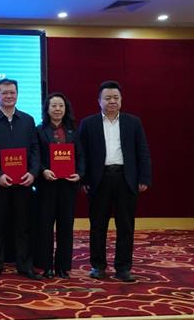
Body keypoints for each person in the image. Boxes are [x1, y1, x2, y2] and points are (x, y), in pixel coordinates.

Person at [78, 80, 151, 282]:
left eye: (116, 98)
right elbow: (81, 153)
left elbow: (143, 151)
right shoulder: (88, 123)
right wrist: (83, 179)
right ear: (99, 101)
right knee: (98, 225)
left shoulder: (133, 122)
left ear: (121, 100)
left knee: (125, 226)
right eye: (107, 98)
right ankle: (98, 266)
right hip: (99, 179)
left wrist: (144, 177)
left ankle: (123, 268)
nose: (112, 101)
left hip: (125, 178)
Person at [0, 78, 41, 280]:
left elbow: (35, 149)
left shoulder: (28, 120)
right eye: (4, 93)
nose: (9, 96)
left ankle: (25, 265)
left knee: (24, 226)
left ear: (17, 94)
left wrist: (32, 173)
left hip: (24, 182)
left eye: (12, 92)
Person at [35, 92, 84, 279]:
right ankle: (46, 266)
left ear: (66, 109)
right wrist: (43, 171)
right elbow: (35, 156)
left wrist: (79, 173)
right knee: (45, 227)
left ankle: (63, 266)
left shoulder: (73, 131)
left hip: (67, 186)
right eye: (54, 106)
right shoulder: (39, 130)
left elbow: (81, 156)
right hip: (47, 185)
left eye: (61, 106)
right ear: (47, 109)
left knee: (66, 227)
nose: (57, 109)